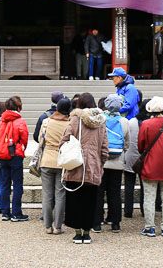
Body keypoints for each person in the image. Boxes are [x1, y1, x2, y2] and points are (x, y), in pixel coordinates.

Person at [61, 92, 108, 244]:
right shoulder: (101, 122)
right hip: (93, 166)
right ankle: (87, 233)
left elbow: (64, 140)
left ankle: (77, 233)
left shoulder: (74, 120)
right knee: (90, 200)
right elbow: (105, 148)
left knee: (74, 200)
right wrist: (100, 163)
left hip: (75, 165)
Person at [138, 96, 163, 237]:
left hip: (150, 164)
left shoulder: (145, 124)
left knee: (149, 198)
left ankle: (150, 227)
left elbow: (141, 145)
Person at [96, 94, 129, 233]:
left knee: (99, 192)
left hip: (101, 161)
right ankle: (115, 222)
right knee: (114, 193)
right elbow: (126, 143)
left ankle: (96, 222)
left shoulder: (99, 119)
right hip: (117, 161)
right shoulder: (124, 121)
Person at [40, 97, 72, 234]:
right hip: (62, 160)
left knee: (47, 194)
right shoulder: (69, 124)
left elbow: (41, 139)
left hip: (46, 159)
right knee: (60, 194)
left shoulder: (46, 122)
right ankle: (58, 226)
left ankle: (48, 225)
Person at [0, 95, 29, 222]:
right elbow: (24, 138)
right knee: (17, 184)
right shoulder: (20, 121)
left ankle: (5, 212)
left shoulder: (2, 121)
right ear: (18, 107)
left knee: (4, 183)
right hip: (15, 154)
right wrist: (22, 147)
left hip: (3, 154)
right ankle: (16, 213)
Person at [123, 100, 141, 219]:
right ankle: (145, 209)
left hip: (130, 155)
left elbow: (126, 139)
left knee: (129, 184)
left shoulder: (131, 122)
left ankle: (128, 210)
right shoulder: (147, 123)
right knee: (145, 185)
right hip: (143, 157)